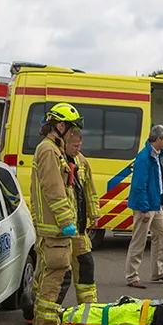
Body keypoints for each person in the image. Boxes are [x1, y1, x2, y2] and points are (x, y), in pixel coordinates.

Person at [22, 103, 84, 325]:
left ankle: (41, 321)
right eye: (72, 128)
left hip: (53, 226)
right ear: (60, 125)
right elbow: (54, 189)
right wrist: (66, 220)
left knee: (47, 273)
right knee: (55, 274)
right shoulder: (49, 150)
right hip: (55, 228)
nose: (74, 134)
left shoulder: (52, 149)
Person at [124, 125, 163, 288]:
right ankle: (132, 276)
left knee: (161, 235)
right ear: (158, 139)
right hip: (146, 206)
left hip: (155, 204)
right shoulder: (144, 158)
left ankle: (158, 272)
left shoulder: (154, 156)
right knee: (138, 241)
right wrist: (144, 209)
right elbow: (140, 185)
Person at [58, 129, 100, 306]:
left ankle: (88, 307)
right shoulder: (56, 161)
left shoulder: (82, 161)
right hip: (63, 229)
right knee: (60, 273)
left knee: (86, 266)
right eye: (75, 145)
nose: (78, 149)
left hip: (79, 228)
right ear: (65, 142)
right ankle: (44, 309)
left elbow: (89, 189)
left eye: (80, 145)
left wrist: (94, 213)